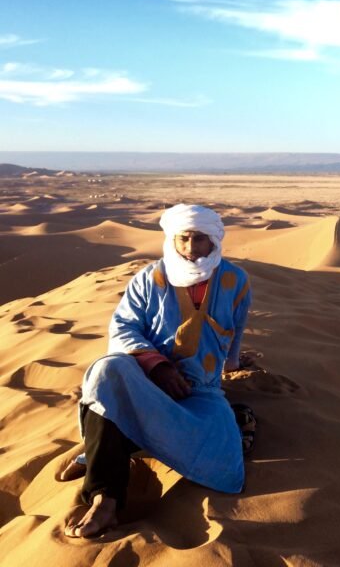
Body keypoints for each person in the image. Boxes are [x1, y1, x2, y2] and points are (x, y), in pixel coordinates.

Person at [63, 203, 251, 538]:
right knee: (107, 374)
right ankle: (105, 498)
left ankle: (110, 441)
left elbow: (232, 341)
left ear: (215, 242)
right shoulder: (149, 279)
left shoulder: (236, 281)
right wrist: (157, 366)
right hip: (144, 381)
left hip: (200, 392)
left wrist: (235, 363)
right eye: (184, 239)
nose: (191, 249)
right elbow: (122, 328)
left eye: (200, 240)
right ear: (173, 240)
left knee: (227, 465)